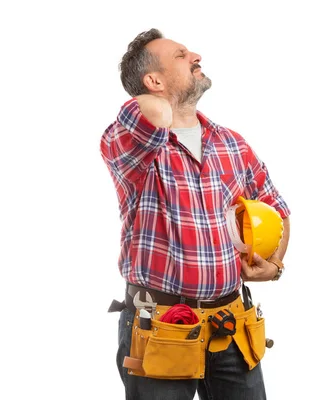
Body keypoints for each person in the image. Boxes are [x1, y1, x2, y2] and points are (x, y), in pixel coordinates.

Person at [99, 28, 291, 400]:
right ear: (152, 80)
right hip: (160, 328)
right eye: (181, 55)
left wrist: (276, 264)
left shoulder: (231, 143)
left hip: (231, 326)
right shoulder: (128, 143)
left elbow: (277, 208)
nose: (196, 56)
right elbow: (146, 111)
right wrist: (156, 96)